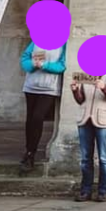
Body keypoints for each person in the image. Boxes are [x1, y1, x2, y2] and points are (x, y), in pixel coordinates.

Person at [70, 66, 106, 202]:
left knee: (104, 158)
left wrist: (104, 87)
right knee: (86, 158)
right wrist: (75, 90)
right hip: (85, 119)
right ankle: (85, 190)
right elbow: (81, 100)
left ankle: (103, 190)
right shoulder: (86, 73)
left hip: (103, 120)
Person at [19, 38, 67, 174]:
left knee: (37, 117)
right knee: (30, 120)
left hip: (49, 88)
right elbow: (24, 60)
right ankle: (29, 152)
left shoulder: (63, 43)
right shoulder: (36, 41)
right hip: (31, 86)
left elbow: (62, 65)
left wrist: (45, 65)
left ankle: (31, 152)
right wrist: (32, 64)